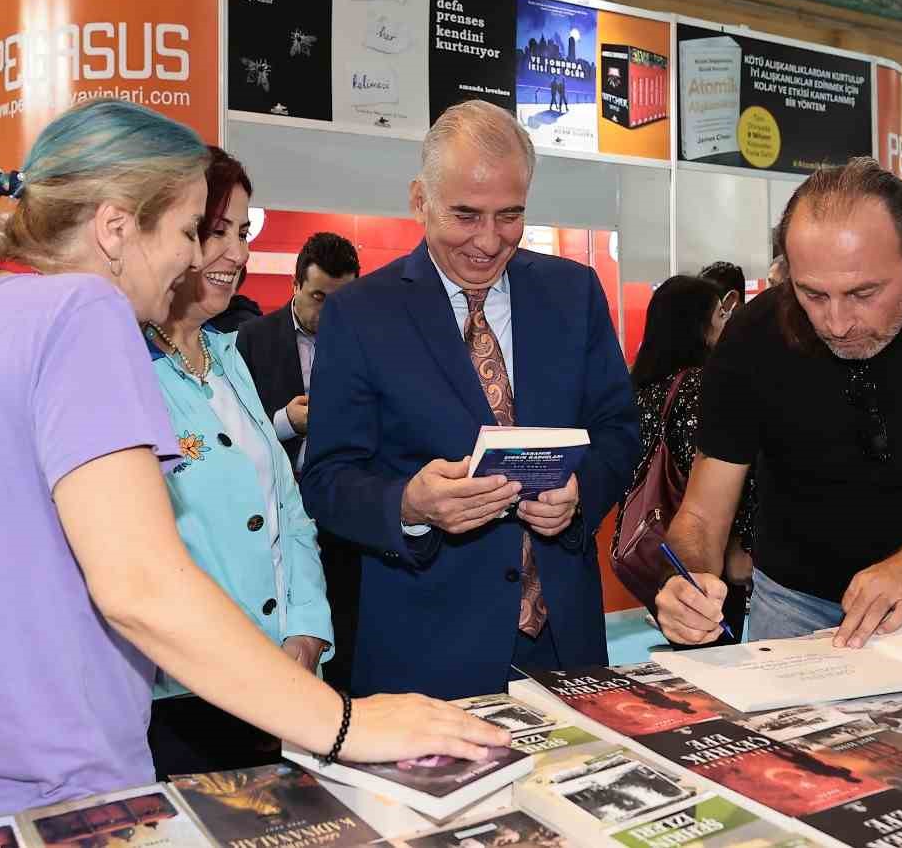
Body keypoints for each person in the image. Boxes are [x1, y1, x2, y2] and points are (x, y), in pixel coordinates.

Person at [0, 102, 508, 847]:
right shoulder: (83, 310)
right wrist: (345, 724)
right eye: (185, 230)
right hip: (34, 804)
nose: (191, 257)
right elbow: (139, 585)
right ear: (116, 228)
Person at [301, 100, 639, 698]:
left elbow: (616, 428)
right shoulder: (361, 315)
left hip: (567, 640)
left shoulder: (573, 292)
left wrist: (580, 494)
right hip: (427, 648)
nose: (488, 241)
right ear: (419, 201)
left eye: (509, 215)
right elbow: (328, 479)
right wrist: (409, 503)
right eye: (465, 215)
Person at [655, 158, 902, 647]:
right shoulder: (752, 336)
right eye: (812, 293)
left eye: (864, 292)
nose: (838, 323)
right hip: (792, 609)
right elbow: (701, 516)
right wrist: (687, 580)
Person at [142, 148, 335, 774]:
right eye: (214, 231)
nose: (238, 254)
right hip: (178, 699)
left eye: (243, 233)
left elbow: (288, 510)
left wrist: (306, 633)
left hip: (283, 684)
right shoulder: (122, 368)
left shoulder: (230, 358)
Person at [236, 231, 361, 689]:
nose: (328, 312)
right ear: (295, 286)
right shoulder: (250, 342)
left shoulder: (369, 341)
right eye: (318, 297)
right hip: (277, 525)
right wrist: (286, 421)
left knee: (346, 645)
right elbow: (233, 441)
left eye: (341, 299)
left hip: (346, 523)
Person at [625, 272, 755, 642]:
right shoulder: (700, 385)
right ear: (697, 323)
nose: (726, 323)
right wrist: (740, 545)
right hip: (704, 546)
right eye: (719, 315)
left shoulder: (641, 384)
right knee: (715, 641)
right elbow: (714, 472)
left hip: (650, 535)